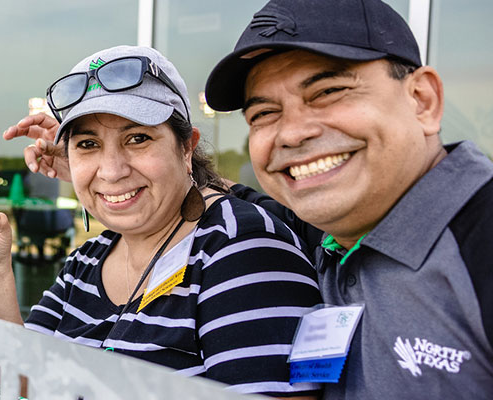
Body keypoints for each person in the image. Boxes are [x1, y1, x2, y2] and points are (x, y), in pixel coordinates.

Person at [0, 46, 322, 397]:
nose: (111, 171)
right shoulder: (88, 260)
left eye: (137, 138)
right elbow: (18, 380)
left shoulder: (240, 247)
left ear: (187, 147)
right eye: (88, 145)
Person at [201, 0, 493, 397]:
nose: (292, 134)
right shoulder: (325, 236)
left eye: (329, 91)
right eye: (264, 114)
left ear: (422, 100)